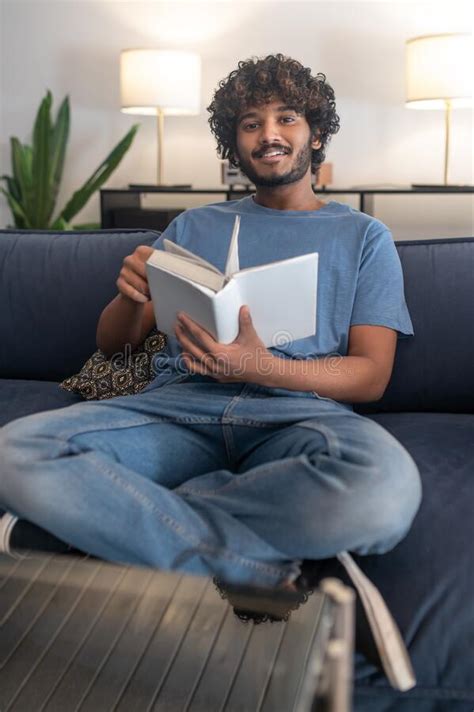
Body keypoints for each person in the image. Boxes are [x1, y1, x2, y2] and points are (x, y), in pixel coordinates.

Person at [0, 54, 421, 590]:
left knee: (382, 493)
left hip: (299, 417)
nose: (268, 134)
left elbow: (371, 375)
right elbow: (113, 344)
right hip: (176, 409)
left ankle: (140, 514)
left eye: (286, 117)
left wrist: (261, 366)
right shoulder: (194, 225)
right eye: (250, 123)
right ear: (234, 142)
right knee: (16, 451)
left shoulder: (363, 237)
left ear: (315, 135)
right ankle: (250, 570)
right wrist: (131, 296)